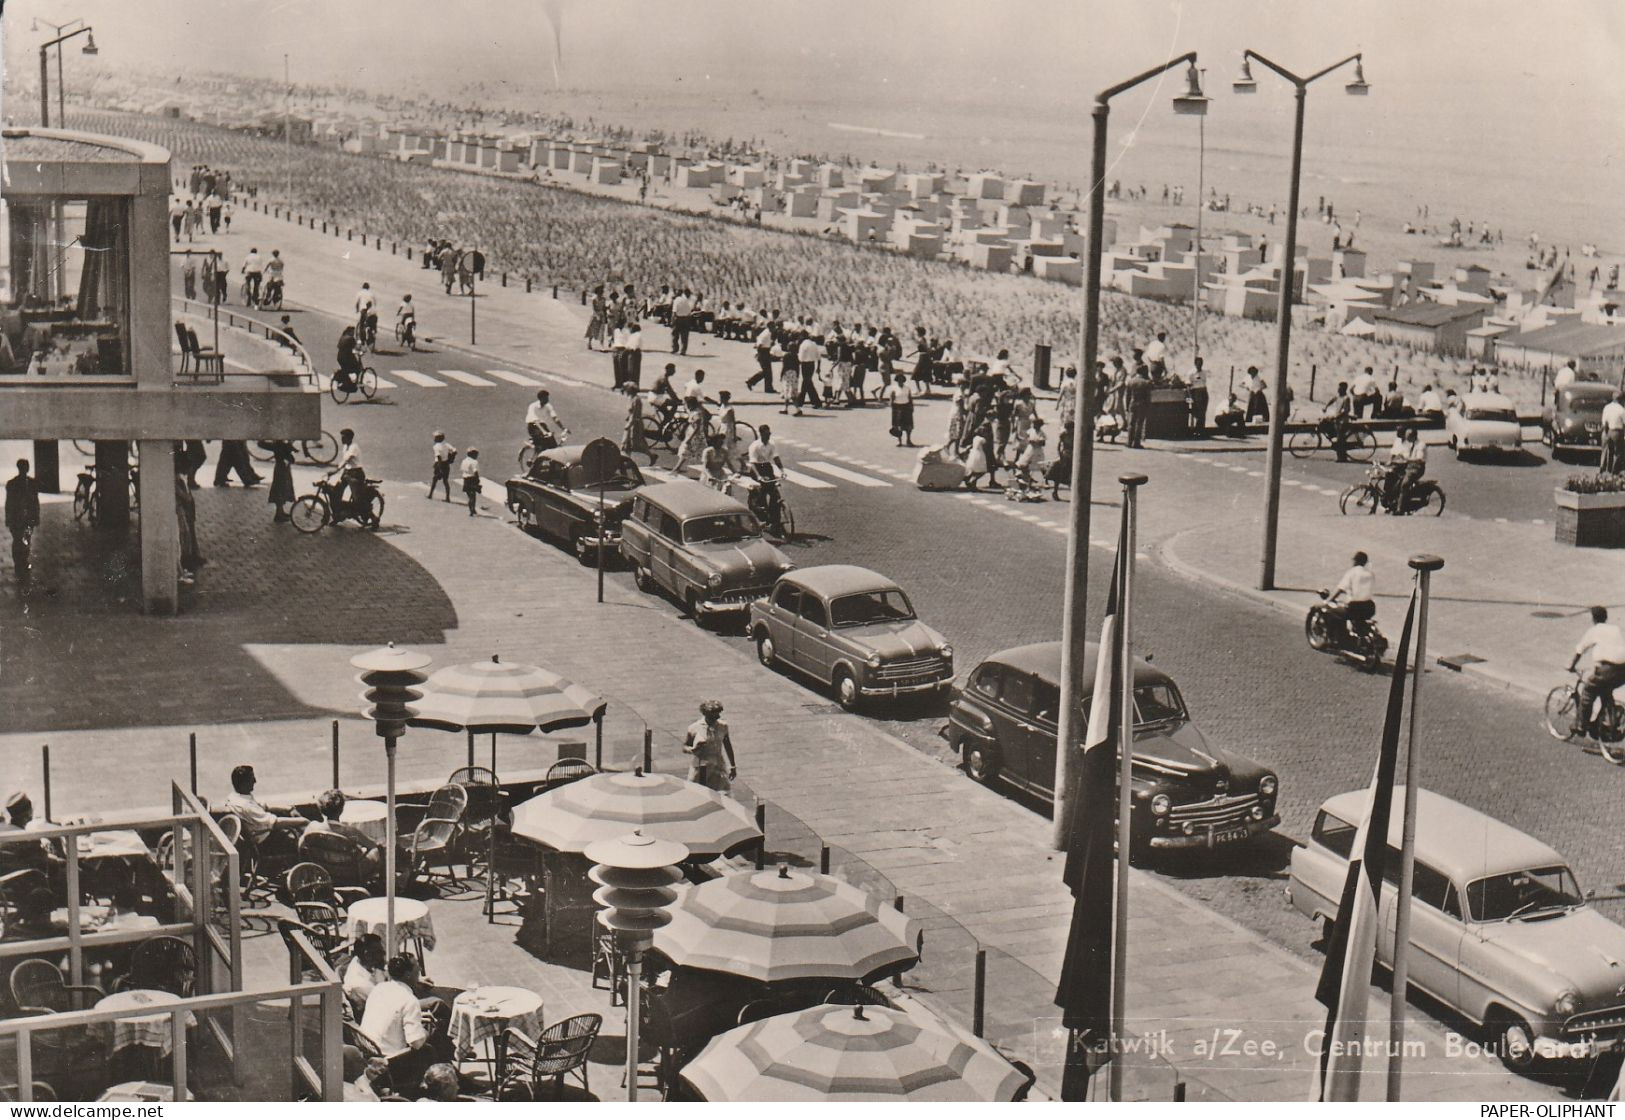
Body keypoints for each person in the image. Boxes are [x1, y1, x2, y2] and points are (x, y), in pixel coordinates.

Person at [360, 954, 449, 1087]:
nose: (419, 969)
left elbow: (391, 1015)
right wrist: (427, 1030)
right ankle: (445, 1081)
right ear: (408, 974)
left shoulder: (379, 989)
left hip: (369, 1053)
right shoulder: (409, 1000)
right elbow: (416, 1043)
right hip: (391, 1063)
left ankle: (449, 1075)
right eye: (417, 967)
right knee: (430, 1045)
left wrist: (418, 1019)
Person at [221, 764, 306, 849]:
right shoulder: (246, 806)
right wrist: (303, 821)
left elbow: (263, 806)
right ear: (244, 784)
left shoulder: (234, 797)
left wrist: (288, 808)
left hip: (258, 832)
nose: (255, 781)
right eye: (252, 778)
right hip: (266, 840)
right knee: (303, 842)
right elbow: (275, 823)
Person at [1571, 606, 1625, 738]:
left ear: (1593, 619)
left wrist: (1571, 666)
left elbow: (1580, 650)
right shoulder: (1615, 629)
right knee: (1605, 691)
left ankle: (1581, 726)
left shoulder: (1594, 630)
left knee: (1588, 692)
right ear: (1606, 618)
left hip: (1607, 669)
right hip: (1623, 669)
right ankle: (1600, 723)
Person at [305, 789, 385, 876]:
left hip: (324, 872)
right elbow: (374, 845)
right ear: (341, 810)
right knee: (378, 850)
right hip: (350, 873)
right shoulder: (350, 832)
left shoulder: (312, 827)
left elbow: (301, 847)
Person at [683, 700, 737, 791]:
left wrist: (733, 766)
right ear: (706, 714)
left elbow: (727, 745)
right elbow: (685, 747)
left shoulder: (723, 726)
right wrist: (692, 749)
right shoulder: (694, 728)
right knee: (693, 791)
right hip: (700, 765)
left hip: (718, 766)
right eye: (715, 715)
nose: (718, 717)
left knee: (722, 794)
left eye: (718, 714)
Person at [1325, 551, 1376, 647]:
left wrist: (1328, 600)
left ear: (1355, 561)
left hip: (1354, 607)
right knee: (1358, 619)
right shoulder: (1370, 574)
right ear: (1365, 562)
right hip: (1369, 607)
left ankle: (1339, 640)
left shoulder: (1352, 572)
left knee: (1333, 612)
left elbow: (1340, 589)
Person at [5, 459, 40, 594]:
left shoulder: (29, 484)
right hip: (17, 518)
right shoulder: (13, 484)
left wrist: (36, 516)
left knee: (25, 540)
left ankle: (22, 560)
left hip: (26, 519)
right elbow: (9, 503)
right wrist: (9, 518)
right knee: (19, 540)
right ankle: (19, 562)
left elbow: (35, 502)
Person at [1385, 425, 1426, 513]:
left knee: (1404, 484)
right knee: (1394, 480)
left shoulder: (1421, 445)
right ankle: (1392, 502)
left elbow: (1419, 459)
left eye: (1408, 438)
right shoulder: (1412, 443)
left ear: (1413, 436)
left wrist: (1406, 459)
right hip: (1409, 466)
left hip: (1416, 468)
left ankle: (1400, 508)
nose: (1407, 440)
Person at [260, 440, 297, 522]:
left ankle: (280, 512)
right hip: (282, 467)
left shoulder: (278, 443)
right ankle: (279, 514)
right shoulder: (279, 444)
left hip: (282, 466)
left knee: (281, 488)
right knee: (281, 489)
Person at [525, 390, 569, 454]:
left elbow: (555, 418)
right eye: (545, 398)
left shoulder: (548, 406)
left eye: (547, 397)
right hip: (533, 426)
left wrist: (563, 428)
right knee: (543, 442)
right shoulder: (533, 406)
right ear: (541, 398)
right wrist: (544, 432)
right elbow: (535, 421)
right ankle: (537, 458)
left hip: (542, 426)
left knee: (553, 444)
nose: (547, 399)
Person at [332, 428, 365, 511]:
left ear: (349, 438)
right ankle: (338, 514)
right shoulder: (345, 446)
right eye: (341, 437)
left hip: (356, 473)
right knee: (337, 492)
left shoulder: (354, 447)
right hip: (347, 472)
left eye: (344, 438)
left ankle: (372, 517)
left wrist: (336, 470)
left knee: (357, 498)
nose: (342, 439)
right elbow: (344, 461)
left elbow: (347, 459)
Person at [1321, 382, 1354, 462]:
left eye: (1339, 388)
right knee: (1338, 437)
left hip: (1342, 421)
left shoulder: (1346, 398)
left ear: (1343, 389)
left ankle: (1342, 458)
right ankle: (1341, 455)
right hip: (1337, 420)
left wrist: (1336, 416)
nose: (1338, 389)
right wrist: (1326, 406)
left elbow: (1346, 410)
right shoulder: (1338, 396)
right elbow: (1332, 400)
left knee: (1340, 439)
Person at [1123, 363, 1151, 449]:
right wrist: (1148, 406)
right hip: (1142, 404)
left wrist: (1127, 406)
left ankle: (1129, 442)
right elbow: (1148, 397)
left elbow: (1127, 396)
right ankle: (1136, 443)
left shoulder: (1131, 381)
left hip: (1132, 403)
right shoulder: (1146, 382)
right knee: (1139, 423)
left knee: (1131, 423)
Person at [884, 372, 917, 447]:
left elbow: (910, 398)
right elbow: (891, 399)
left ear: (904, 380)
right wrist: (892, 408)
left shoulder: (907, 388)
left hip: (906, 407)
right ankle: (899, 441)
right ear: (896, 380)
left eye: (902, 379)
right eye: (899, 379)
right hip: (897, 407)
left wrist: (912, 407)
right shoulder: (894, 389)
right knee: (898, 426)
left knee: (908, 426)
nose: (900, 381)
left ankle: (908, 440)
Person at [428, 432, 456, 501]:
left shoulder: (436, 446)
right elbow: (455, 451)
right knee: (445, 481)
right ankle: (447, 498)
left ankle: (430, 495)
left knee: (434, 480)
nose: (434, 439)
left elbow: (438, 457)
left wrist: (439, 468)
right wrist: (451, 459)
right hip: (446, 464)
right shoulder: (446, 444)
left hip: (439, 464)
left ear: (438, 438)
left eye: (435, 437)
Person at [1602, 393, 1625, 475]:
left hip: (1608, 430)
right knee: (1618, 452)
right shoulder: (1621, 409)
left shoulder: (1607, 407)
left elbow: (1604, 422)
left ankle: (1604, 469)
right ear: (1620, 399)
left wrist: (1605, 432)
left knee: (1607, 451)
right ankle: (1614, 471)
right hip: (1617, 431)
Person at [335, 326, 362, 394]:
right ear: (350, 331)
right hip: (347, 358)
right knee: (357, 368)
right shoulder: (351, 338)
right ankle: (350, 386)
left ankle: (346, 383)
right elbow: (357, 348)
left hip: (340, 357)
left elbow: (339, 346)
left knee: (346, 370)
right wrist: (359, 342)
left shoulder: (343, 336)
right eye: (353, 332)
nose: (353, 333)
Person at [1187, 356, 1209, 435]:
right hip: (1196, 392)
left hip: (1204, 391)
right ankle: (1197, 430)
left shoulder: (1204, 372)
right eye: (1198, 364)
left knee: (1203, 411)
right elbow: (1189, 386)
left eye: (1201, 364)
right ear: (1195, 364)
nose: (1200, 365)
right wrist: (1190, 398)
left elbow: (1204, 382)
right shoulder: (1191, 373)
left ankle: (1200, 429)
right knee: (1198, 412)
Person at [461, 448, 482, 517]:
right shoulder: (474, 462)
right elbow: (475, 472)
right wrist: (478, 480)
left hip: (465, 479)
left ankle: (472, 509)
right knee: (473, 496)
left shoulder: (464, 461)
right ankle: (472, 510)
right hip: (472, 479)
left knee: (470, 495)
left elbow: (462, 469)